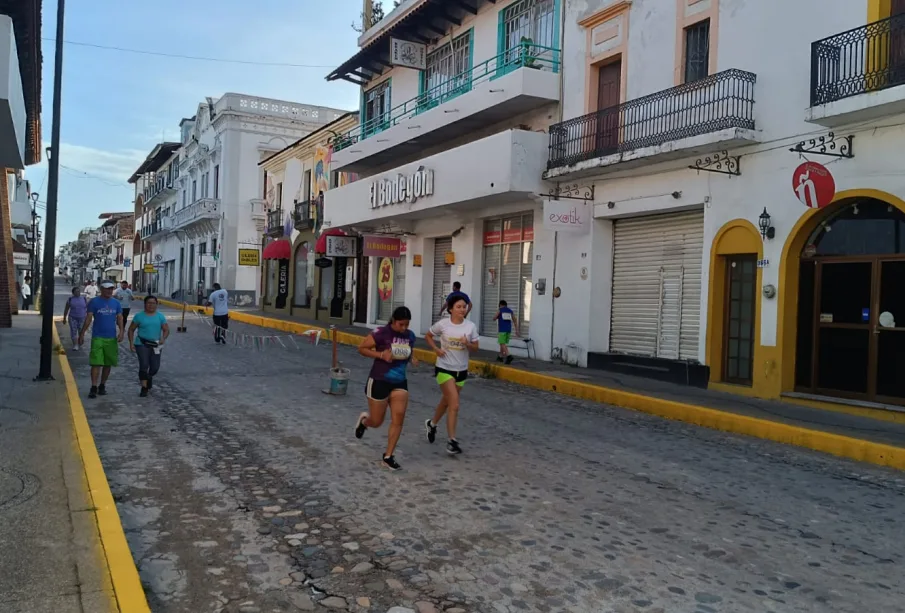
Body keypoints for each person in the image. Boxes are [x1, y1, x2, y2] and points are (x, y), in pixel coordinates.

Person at [354, 306, 418, 471]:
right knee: (377, 421)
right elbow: (362, 349)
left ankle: (388, 456)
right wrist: (381, 355)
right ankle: (364, 422)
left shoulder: (410, 336)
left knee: (398, 418)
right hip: (379, 380)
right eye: (401, 324)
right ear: (394, 321)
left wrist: (412, 358)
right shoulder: (381, 332)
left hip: (399, 382)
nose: (404, 328)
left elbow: (407, 352)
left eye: (407, 325)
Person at [424, 294, 479, 455]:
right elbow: (428, 335)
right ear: (451, 309)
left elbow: (476, 347)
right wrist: (436, 349)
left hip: (461, 370)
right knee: (454, 404)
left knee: (447, 401)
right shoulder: (443, 325)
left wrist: (467, 343)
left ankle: (432, 424)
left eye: (464, 307)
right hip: (444, 368)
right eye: (459, 307)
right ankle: (452, 441)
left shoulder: (470, 326)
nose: (462, 309)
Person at [79, 280, 124, 399]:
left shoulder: (116, 303)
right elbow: (88, 318)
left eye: (111, 289)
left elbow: (120, 318)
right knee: (96, 362)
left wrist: (122, 332)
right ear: (101, 289)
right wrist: (82, 333)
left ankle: (102, 385)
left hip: (111, 338)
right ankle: (93, 386)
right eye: (107, 288)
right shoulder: (94, 302)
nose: (109, 291)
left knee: (108, 363)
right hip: (97, 337)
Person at [128, 295, 169, 398]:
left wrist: (163, 338)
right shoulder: (139, 316)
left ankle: (149, 377)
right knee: (144, 365)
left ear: (157, 304)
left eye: (153, 303)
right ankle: (144, 387)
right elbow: (131, 329)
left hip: (156, 345)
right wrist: (131, 342)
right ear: (145, 304)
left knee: (155, 367)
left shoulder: (160, 316)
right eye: (149, 303)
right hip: (142, 344)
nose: (151, 305)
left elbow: (166, 329)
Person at [62, 286, 89, 350]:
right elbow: (66, 309)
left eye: (79, 291)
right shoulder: (70, 299)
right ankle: (75, 345)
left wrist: (88, 317)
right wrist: (64, 318)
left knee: (81, 331)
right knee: (73, 331)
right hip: (72, 318)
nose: (78, 292)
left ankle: (80, 341)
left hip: (82, 318)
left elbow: (87, 308)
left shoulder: (84, 299)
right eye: (76, 291)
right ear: (73, 293)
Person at [493, 300, 520, 364]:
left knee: (502, 343)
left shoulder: (500, 310)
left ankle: (509, 356)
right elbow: (515, 320)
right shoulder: (510, 311)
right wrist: (517, 330)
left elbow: (494, 318)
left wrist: (497, 317)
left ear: (500, 305)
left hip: (502, 329)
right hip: (508, 330)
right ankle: (500, 357)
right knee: (503, 344)